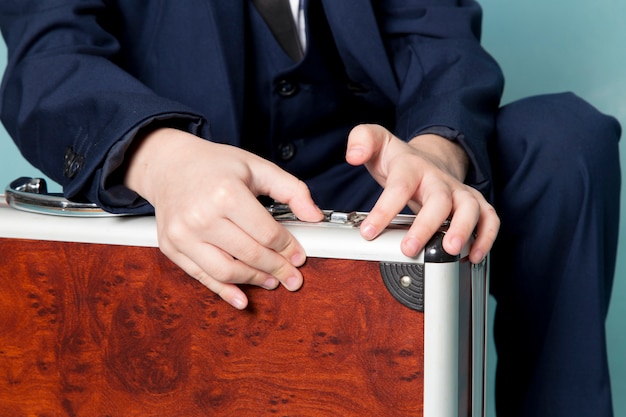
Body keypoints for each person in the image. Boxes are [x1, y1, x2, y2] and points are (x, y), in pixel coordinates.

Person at [0, 1, 620, 416]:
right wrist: (159, 161)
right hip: (185, 192)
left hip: (368, 187)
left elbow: (437, 29)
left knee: (565, 139)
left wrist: (434, 153)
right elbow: (49, 57)